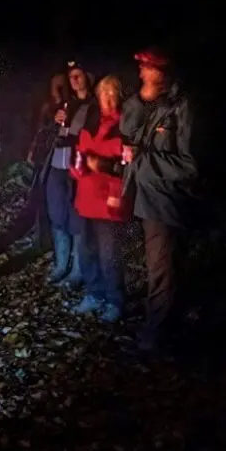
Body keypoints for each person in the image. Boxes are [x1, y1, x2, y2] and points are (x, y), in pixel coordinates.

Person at [120, 47, 199, 353]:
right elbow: (127, 128)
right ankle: (168, 327)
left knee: (161, 270)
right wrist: (141, 100)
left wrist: (141, 159)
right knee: (162, 266)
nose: (141, 74)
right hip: (147, 198)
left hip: (167, 202)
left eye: (147, 68)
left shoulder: (183, 108)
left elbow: (189, 166)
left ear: (162, 72)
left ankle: (154, 337)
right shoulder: (153, 104)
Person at [68, 75, 130, 323]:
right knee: (85, 250)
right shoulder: (91, 121)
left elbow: (126, 164)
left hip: (109, 201)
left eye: (112, 93)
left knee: (109, 254)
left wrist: (102, 164)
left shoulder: (125, 125)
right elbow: (79, 153)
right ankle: (95, 294)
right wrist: (79, 167)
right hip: (86, 197)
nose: (107, 98)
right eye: (103, 93)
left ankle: (115, 300)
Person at [44, 61, 94, 286]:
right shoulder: (67, 103)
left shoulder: (94, 106)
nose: (73, 80)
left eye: (78, 75)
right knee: (57, 213)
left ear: (87, 77)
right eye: (71, 76)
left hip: (77, 167)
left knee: (77, 218)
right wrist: (55, 123)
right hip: (57, 164)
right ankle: (61, 264)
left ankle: (78, 269)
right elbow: (52, 133)